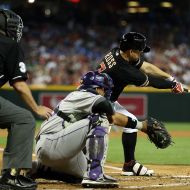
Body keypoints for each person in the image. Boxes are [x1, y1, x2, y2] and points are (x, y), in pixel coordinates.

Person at [32, 71, 150, 188]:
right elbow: (106, 106)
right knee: (99, 119)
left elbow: (112, 117)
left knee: (80, 175)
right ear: (97, 88)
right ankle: (95, 175)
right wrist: (139, 125)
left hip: (54, 147)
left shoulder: (80, 96)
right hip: (51, 144)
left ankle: (41, 169)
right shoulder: (84, 94)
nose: (107, 92)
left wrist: (140, 126)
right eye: (105, 89)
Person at [97, 31, 184, 176]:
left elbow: (147, 67)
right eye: (139, 51)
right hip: (97, 105)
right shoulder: (123, 69)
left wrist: (171, 79)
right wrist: (172, 87)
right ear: (131, 51)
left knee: (131, 124)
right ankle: (89, 170)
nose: (141, 55)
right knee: (99, 137)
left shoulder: (117, 52)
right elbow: (152, 82)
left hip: (107, 100)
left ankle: (129, 164)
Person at [0, 9, 52, 190]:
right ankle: (11, 176)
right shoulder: (9, 44)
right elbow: (19, 84)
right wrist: (36, 108)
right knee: (24, 119)